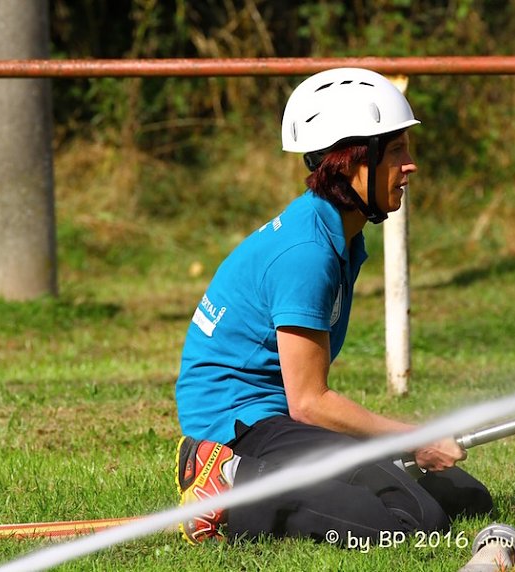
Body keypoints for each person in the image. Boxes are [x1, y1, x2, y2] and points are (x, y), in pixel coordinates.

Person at [174, 67, 493, 545]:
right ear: (350, 162)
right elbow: (309, 402)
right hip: (240, 424)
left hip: (278, 417)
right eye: (397, 151)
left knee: (464, 496)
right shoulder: (307, 253)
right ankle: (229, 481)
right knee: (410, 522)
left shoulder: (336, 232)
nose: (411, 165)